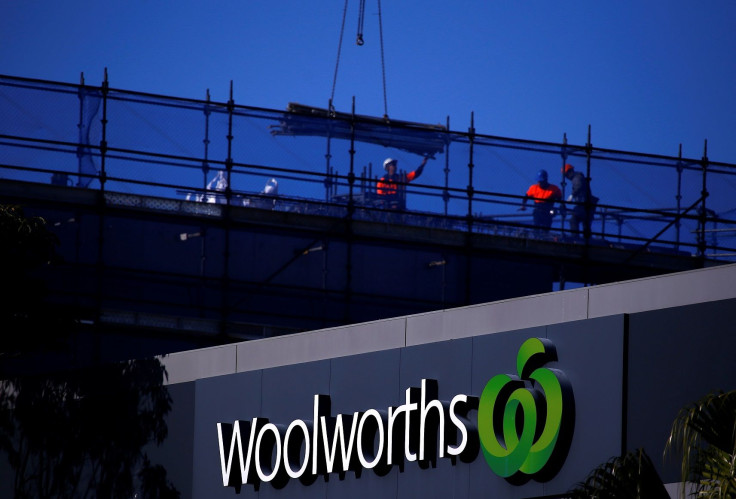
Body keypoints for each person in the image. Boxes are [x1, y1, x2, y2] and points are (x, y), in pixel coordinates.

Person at [562, 163, 598, 235]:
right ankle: (586, 239)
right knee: (586, 225)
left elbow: (578, 186)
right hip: (587, 205)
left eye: (566, 175)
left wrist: (572, 195)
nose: (566, 177)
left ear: (569, 172)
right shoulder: (579, 177)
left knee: (574, 220)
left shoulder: (577, 178)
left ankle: (575, 238)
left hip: (583, 205)